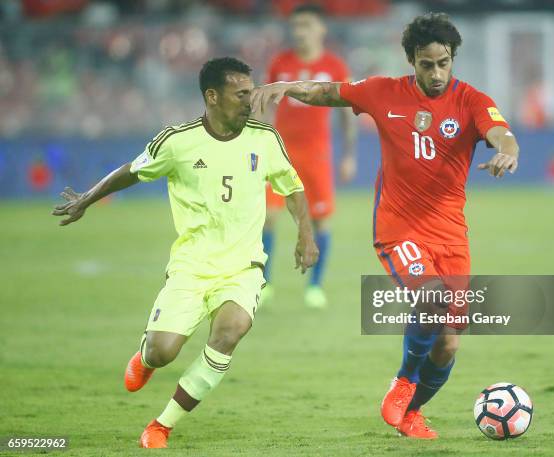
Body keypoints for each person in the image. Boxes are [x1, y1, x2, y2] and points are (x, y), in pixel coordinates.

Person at [251, 12, 519, 439]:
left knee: (448, 342)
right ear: (412, 59)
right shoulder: (383, 93)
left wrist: (509, 151)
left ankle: (411, 411)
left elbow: (502, 132)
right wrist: (288, 86)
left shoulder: (471, 100)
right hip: (399, 230)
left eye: (444, 63)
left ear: (453, 59)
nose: (436, 73)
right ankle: (404, 380)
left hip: (451, 235)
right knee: (429, 296)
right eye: (427, 63)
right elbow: (327, 93)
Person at [52, 57, 319, 448]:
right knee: (164, 352)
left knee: (231, 331)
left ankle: (161, 425)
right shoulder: (178, 141)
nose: (252, 100)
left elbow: (292, 187)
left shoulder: (264, 139)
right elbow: (133, 169)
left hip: (243, 267)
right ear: (212, 96)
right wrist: (88, 200)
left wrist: (305, 236)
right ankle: (146, 358)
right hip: (191, 268)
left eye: (252, 91)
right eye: (241, 94)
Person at [261, 3, 356, 308]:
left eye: (307, 25)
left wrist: (348, 155)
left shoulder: (335, 66)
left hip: (317, 156)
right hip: (281, 153)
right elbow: (265, 106)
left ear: (321, 29)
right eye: (297, 25)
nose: (300, 31)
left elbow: (347, 113)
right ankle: (264, 284)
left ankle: (314, 286)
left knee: (320, 221)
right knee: (267, 218)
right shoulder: (280, 63)